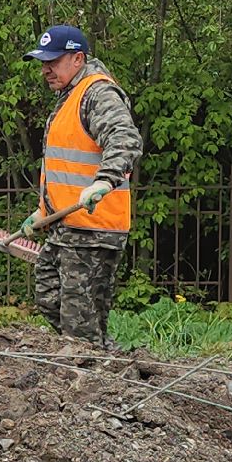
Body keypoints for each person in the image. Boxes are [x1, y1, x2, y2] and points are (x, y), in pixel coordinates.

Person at [17, 25, 143, 345]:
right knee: (50, 298)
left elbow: (124, 138)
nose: (46, 69)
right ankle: (100, 357)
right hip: (65, 225)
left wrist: (105, 180)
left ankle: (94, 373)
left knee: (79, 321)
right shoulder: (68, 96)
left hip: (94, 229)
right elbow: (67, 166)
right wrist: (42, 210)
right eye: (43, 63)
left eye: (53, 61)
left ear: (77, 58)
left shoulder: (97, 93)